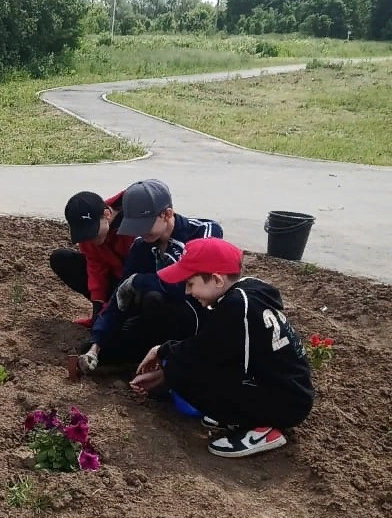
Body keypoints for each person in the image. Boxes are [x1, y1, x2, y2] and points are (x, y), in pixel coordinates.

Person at [130, 238, 313, 458]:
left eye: (190, 284)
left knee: (184, 373)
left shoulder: (236, 306)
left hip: (284, 403)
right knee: (186, 368)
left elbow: (202, 353)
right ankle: (240, 416)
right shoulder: (250, 288)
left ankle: (261, 428)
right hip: (292, 392)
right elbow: (214, 346)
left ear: (216, 280)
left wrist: (163, 354)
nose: (188, 292)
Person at [80, 179, 222, 373]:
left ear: (167, 214)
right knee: (97, 348)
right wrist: (96, 345)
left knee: (153, 297)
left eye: (145, 224)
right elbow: (120, 297)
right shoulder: (141, 246)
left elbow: (188, 287)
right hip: (154, 323)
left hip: (197, 323)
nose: (140, 232)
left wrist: (139, 281)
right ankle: (145, 355)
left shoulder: (204, 233)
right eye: (135, 226)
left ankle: (165, 361)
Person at [50, 190, 134, 328]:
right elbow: (96, 269)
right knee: (60, 259)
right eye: (85, 235)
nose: (91, 240)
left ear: (107, 214)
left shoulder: (133, 225)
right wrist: (97, 309)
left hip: (138, 281)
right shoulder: (87, 237)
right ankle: (103, 316)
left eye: (93, 233)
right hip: (115, 279)